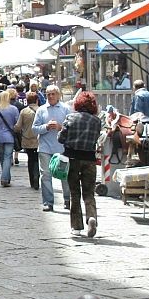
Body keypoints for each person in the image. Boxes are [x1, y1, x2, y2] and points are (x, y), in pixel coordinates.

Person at [58, 92, 102, 237]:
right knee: (89, 193)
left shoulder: (71, 117)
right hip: (89, 160)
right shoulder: (96, 121)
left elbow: (61, 138)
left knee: (74, 193)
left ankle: (76, 227)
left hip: (72, 159)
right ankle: (91, 217)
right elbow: (96, 139)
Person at [32, 85, 71, 212]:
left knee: (64, 174)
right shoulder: (41, 110)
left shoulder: (66, 109)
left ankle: (67, 199)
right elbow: (34, 129)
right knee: (46, 175)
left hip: (61, 147)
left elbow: (71, 128)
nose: (51, 96)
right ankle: (48, 202)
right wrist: (46, 127)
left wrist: (60, 127)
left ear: (58, 95)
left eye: (53, 93)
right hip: (45, 147)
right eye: (48, 94)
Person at [0, 90, 20, 187]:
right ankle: (5, 178)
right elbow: (17, 123)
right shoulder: (14, 109)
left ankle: (6, 177)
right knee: (7, 157)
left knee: (2, 157)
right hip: (10, 136)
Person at [15, 92, 41, 191]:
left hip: (27, 139)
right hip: (38, 140)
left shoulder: (24, 112)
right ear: (37, 100)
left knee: (30, 159)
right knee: (37, 159)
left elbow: (18, 126)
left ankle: (32, 180)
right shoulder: (41, 110)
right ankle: (37, 177)